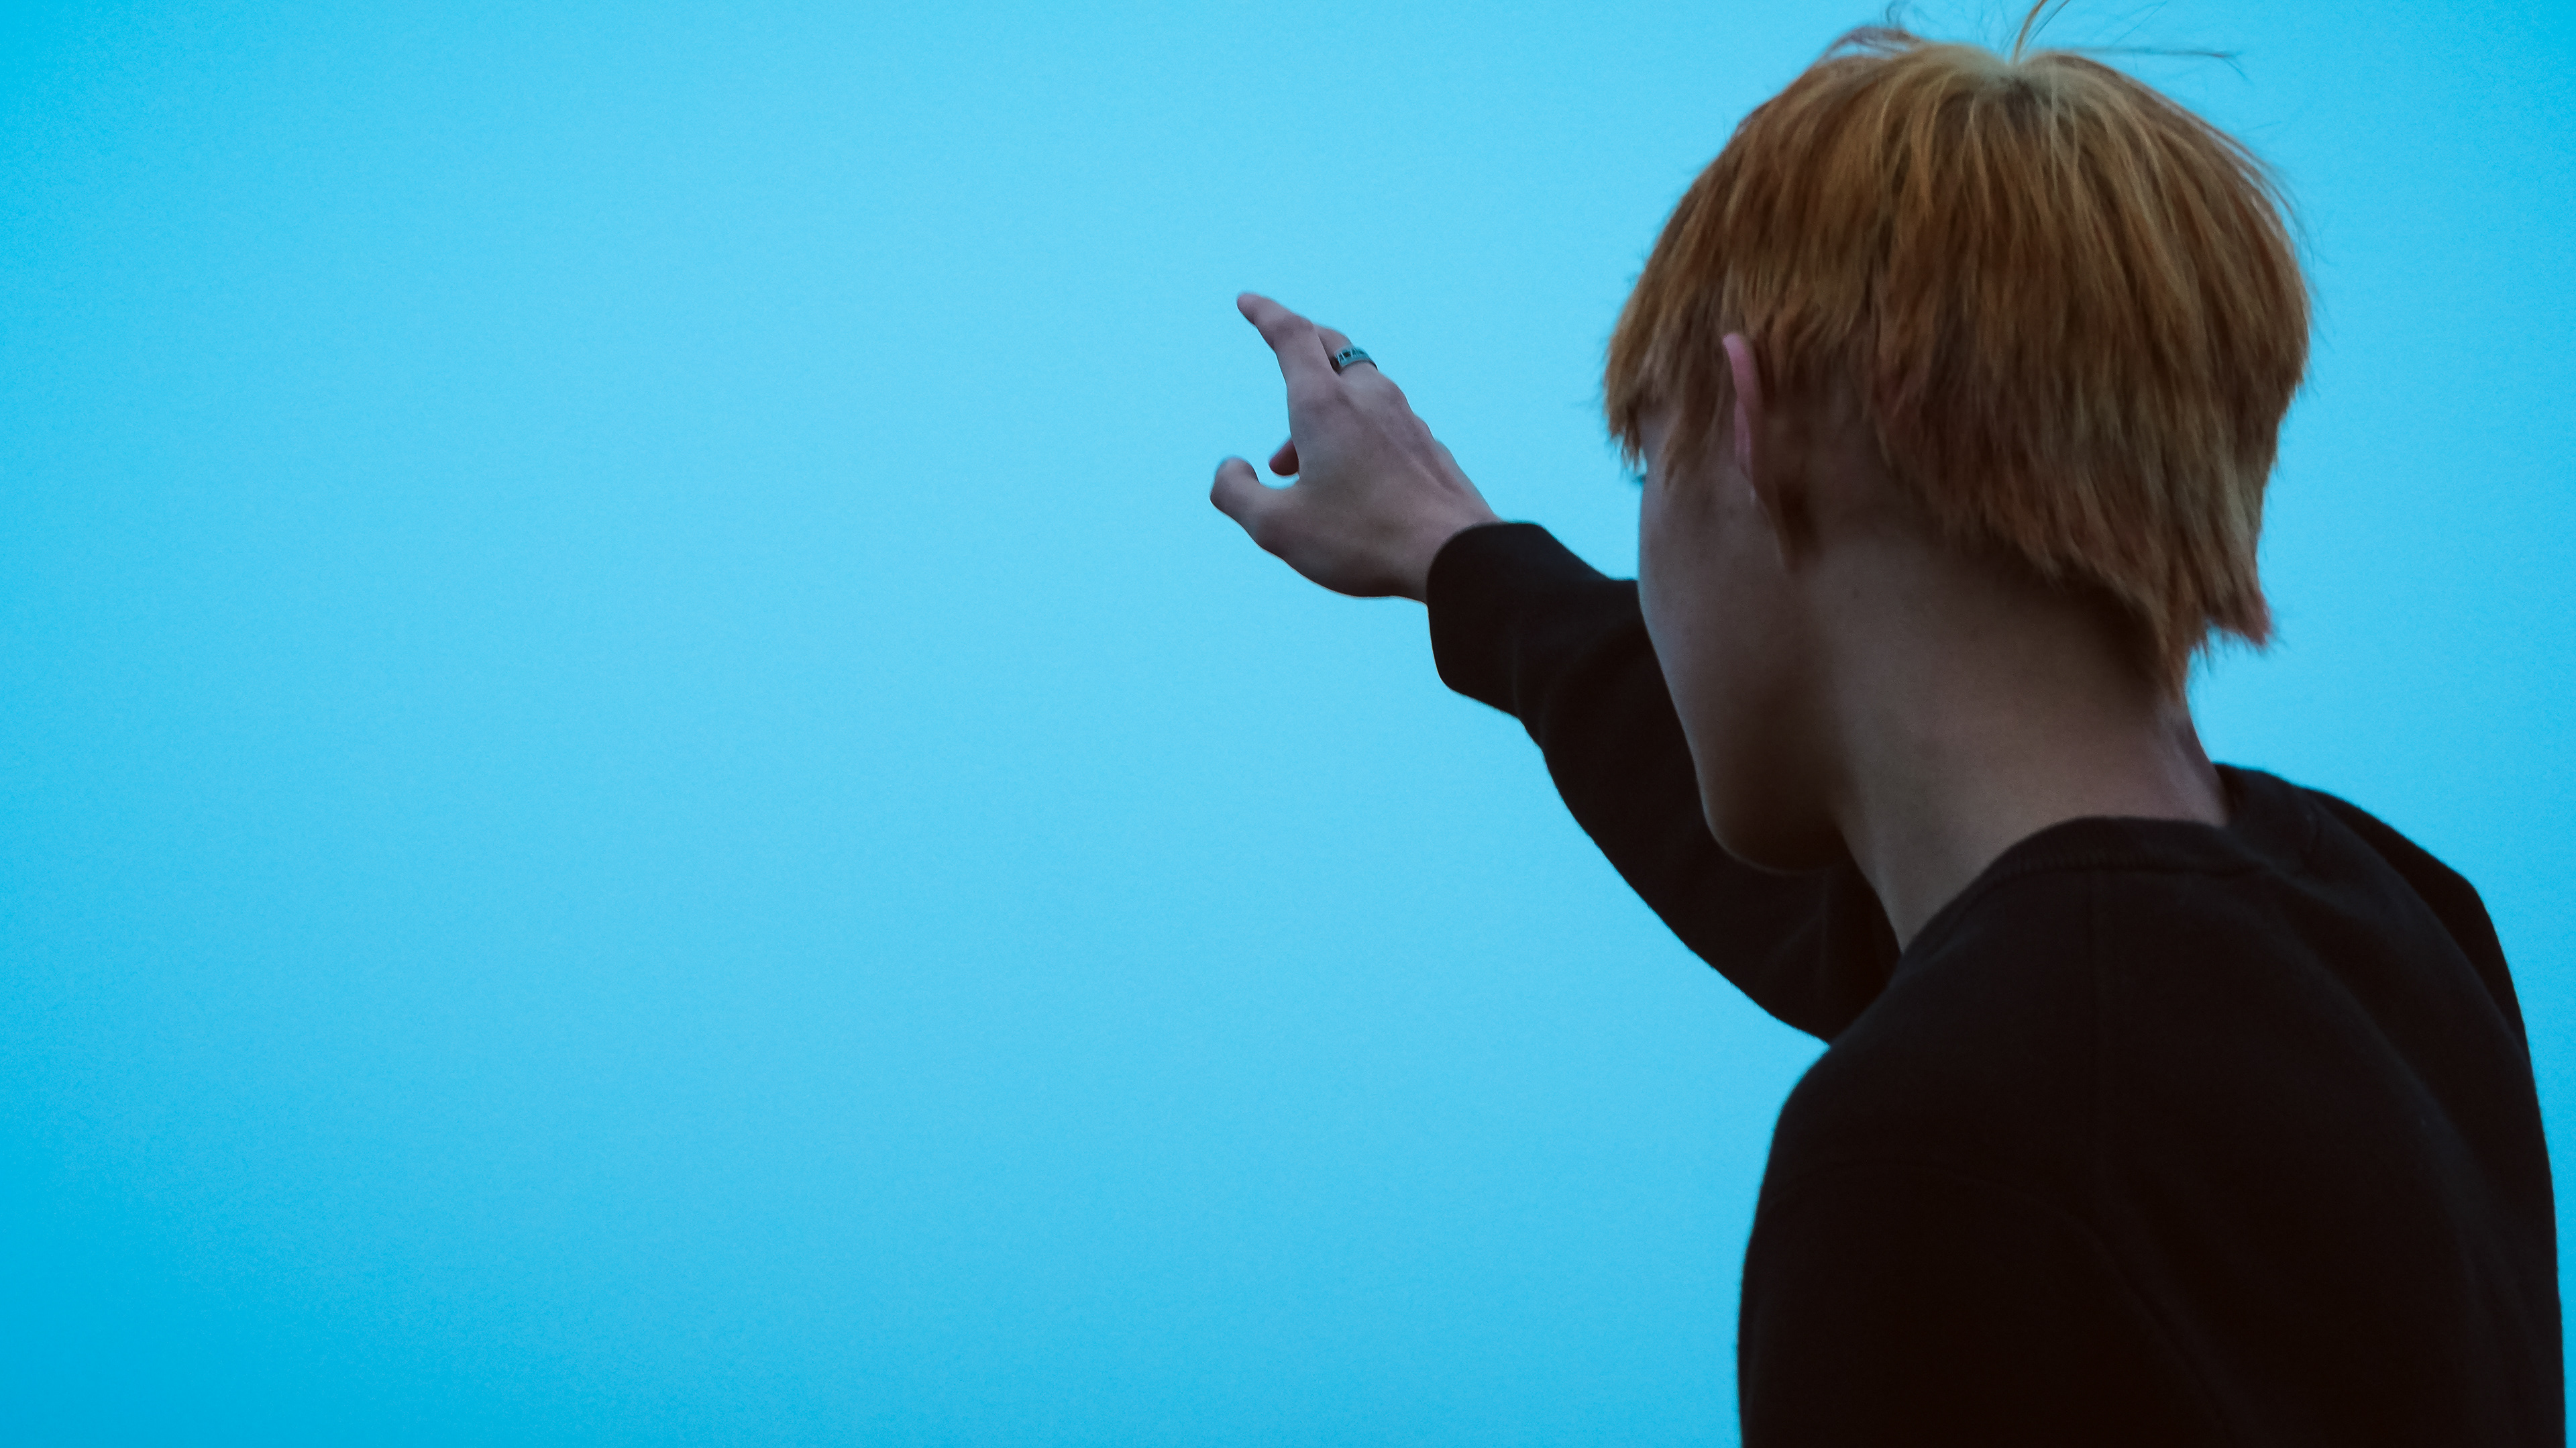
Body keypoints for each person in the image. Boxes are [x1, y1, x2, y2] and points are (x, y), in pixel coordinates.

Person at [1208, 11, 2560, 1445]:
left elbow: (1973, 971)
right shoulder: (2399, 932)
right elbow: (1907, 902)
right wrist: (1461, 561)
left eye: (1648, 466)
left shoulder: (1935, 1156)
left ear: (1754, 432)